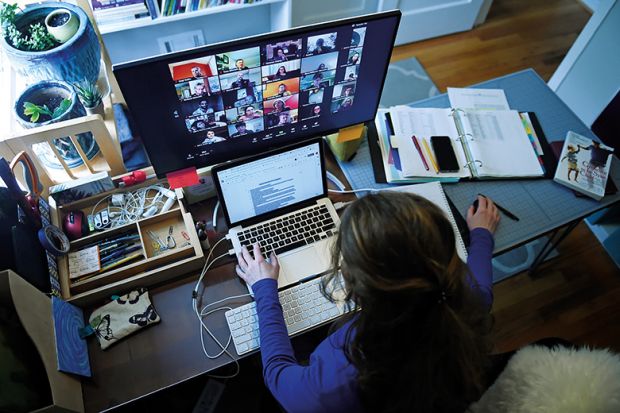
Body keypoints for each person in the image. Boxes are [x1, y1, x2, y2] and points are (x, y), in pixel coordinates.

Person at [235, 193, 499, 412]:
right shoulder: (465, 303)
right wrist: (481, 234)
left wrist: (264, 289)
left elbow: (278, 375)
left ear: (354, 284)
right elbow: (481, 286)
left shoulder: (336, 383)